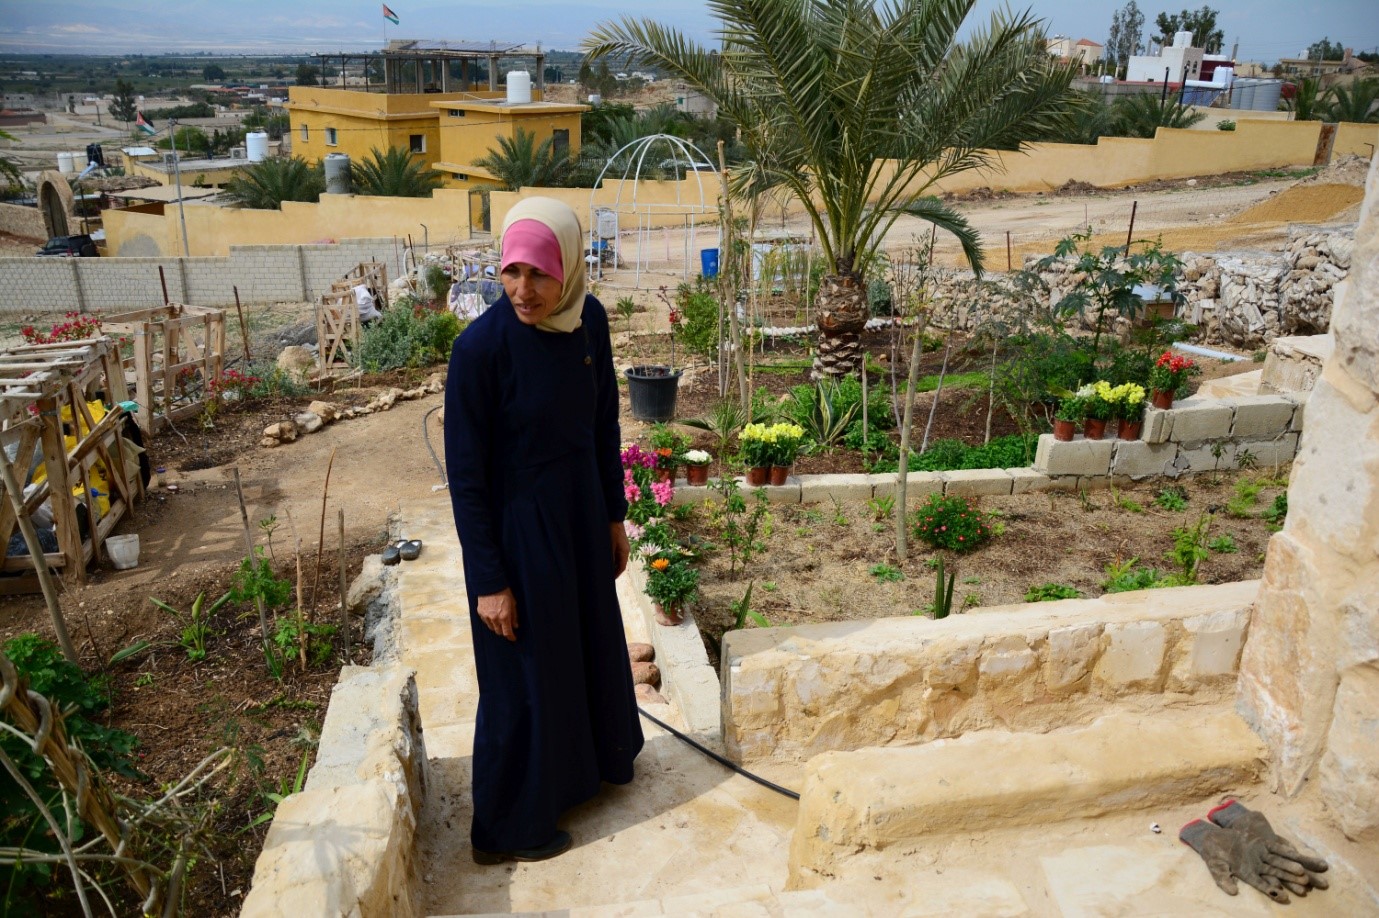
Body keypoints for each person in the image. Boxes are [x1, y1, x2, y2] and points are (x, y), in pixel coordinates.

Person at [443, 197, 643, 864]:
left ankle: (583, 776)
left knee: (579, 649)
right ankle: (509, 829)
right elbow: (467, 478)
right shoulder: (479, 351)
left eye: (539, 274)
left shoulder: (588, 321)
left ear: (569, 270)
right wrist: (489, 581)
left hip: (579, 517)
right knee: (522, 675)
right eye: (511, 272)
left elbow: (603, 422)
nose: (523, 290)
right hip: (518, 533)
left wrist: (613, 516)